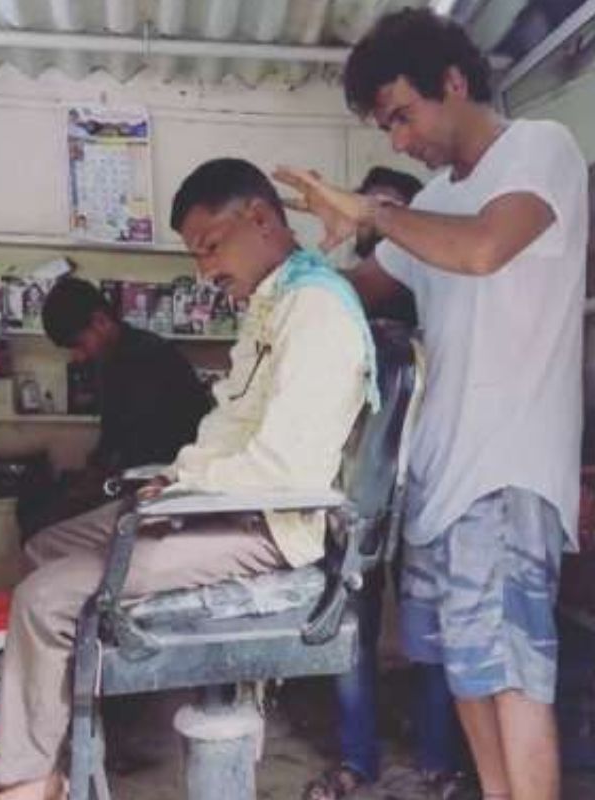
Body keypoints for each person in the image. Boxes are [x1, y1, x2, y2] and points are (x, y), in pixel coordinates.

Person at [0, 158, 374, 800]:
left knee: (44, 598)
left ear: (260, 218)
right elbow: (224, 434)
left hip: (269, 523)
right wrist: (174, 480)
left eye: (212, 248)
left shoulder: (316, 312)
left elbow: (283, 470)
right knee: (43, 549)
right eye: (197, 256)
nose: (207, 271)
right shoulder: (273, 307)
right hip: (225, 503)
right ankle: (65, 740)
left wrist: (183, 491)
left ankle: (26, 781)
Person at [276, 9, 589, 800]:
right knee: (468, 679)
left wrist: (372, 211)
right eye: (387, 126)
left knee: (514, 681)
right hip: (440, 483)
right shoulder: (441, 199)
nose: (398, 141)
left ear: (454, 82)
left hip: (505, 472)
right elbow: (364, 286)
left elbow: (484, 247)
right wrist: (287, 268)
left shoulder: (539, 151)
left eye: (402, 116)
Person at [304, 167, 475, 800]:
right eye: (372, 210)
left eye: (393, 211)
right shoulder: (347, 304)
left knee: (429, 629)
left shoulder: (443, 288)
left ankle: (438, 763)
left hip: (434, 478)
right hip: (363, 487)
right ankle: (359, 758)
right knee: (353, 621)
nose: (380, 223)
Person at [16, 277, 211, 534]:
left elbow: (144, 443)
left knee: (42, 521)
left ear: (100, 321)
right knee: (31, 504)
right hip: (128, 473)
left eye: (78, 344)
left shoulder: (148, 358)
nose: (78, 356)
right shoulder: (111, 358)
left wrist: (95, 482)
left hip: (159, 480)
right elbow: (114, 433)